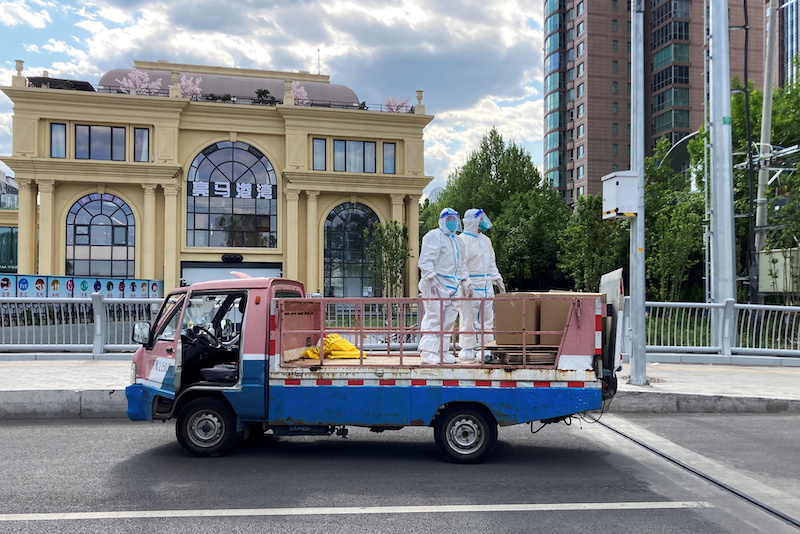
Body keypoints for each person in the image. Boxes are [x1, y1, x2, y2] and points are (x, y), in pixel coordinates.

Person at [417, 207, 467, 364]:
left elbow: (462, 264)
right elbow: (426, 260)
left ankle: (442, 351)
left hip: (453, 285)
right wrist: (431, 278)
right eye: (449, 220)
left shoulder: (458, 241)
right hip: (437, 284)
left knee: (449, 321)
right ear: (442, 220)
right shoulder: (434, 236)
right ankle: (428, 352)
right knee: (434, 317)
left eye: (454, 220)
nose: (452, 223)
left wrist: (466, 281)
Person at [457, 208, 505, 361]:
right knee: (468, 318)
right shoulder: (462, 240)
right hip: (470, 285)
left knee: (487, 319)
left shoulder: (485, 240)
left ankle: (487, 348)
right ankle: (467, 348)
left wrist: (496, 277)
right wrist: (465, 281)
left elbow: (491, 261)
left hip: (486, 284)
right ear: (472, 221)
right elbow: (460, 264)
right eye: (480, 220)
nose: (483, 223)